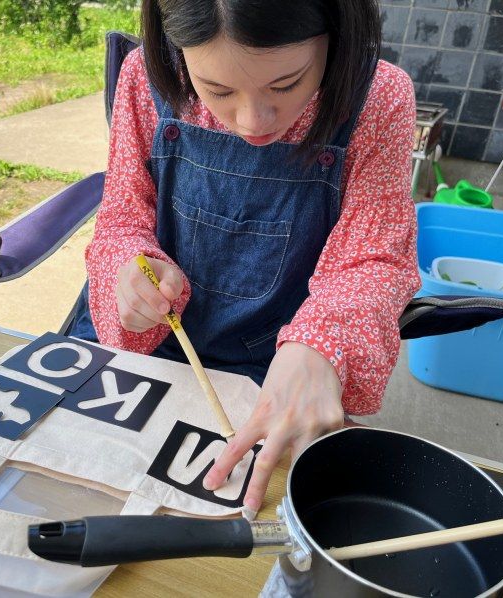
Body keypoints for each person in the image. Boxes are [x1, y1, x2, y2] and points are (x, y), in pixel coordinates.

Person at [69, 0, 421, 514]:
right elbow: (121, 218)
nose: (253, 121)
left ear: (336, 32)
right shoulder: (146, 74)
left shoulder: (378, 98)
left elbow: (373, 256)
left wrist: (322, 344)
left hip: (276, 366)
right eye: (217, 91)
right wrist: (130, 268)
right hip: (148, 346)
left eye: (286, 85)